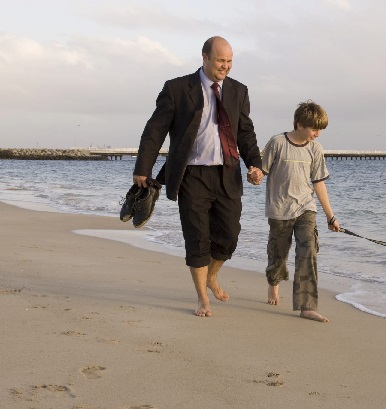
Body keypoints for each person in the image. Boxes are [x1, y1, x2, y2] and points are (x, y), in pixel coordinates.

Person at [133, 36, 264, 318]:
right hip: (191, 174)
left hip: (227, 173)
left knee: (229, 236)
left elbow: (245, 132)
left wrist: (255, 164)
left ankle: (212, 275)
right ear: (204, 57)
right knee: (197, 237)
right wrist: (143, 167)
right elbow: (154, 130)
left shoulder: (239, 91)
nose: (225, 66)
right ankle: (202, 297)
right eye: (220, 60)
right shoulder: (178, 88)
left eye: (229, 61)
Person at [260, 100, 340, 323]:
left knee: (308, 253)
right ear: (299, 124)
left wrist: (330, 215)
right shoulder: (277, 143)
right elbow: (261, 171)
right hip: (279, 210)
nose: (318, 134)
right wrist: (254, 175)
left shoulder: (315, 149)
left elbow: (319, 184)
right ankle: (274, 283)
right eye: (314, 129)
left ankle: (307, 306)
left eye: (320, 129)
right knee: (278, 254)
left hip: (306, 208)